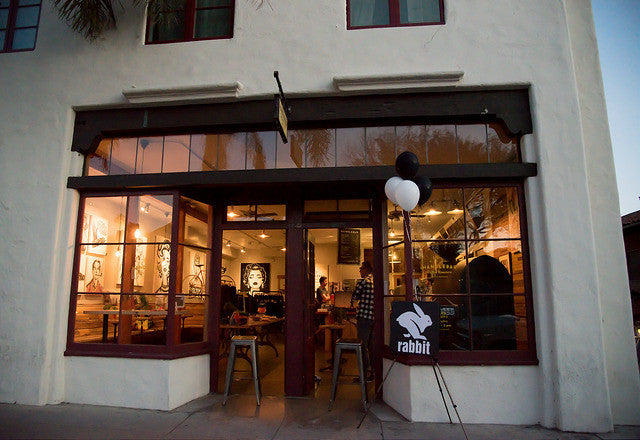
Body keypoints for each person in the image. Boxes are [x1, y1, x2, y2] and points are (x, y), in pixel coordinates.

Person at [351, 260, 374, 382]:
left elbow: (355, 296)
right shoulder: (375, 282)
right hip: (373, 318)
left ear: (365, 269)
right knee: (371, 345)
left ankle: (365, 373)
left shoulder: (363, 282)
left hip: (363, 317)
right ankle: (372, 372)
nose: (360, 271)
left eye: (361, 269)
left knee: (362, 345)